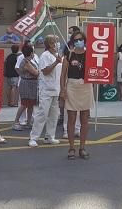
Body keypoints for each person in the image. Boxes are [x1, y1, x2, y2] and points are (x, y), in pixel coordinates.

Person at [60, 30, 94, 160]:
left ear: (85, 40)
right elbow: (63, 74)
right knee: (71, 118)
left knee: (85, 118)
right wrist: (62, 90)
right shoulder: (68, 55)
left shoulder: (90, 54)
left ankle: (82, 147)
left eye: (80, 39)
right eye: (76, 40)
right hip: (72, 87)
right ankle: (71, 148)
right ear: (72, 42)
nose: (78, 42)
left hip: (86, 86)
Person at [29, 35, 62, 147]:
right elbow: (45, 71)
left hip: (56, 89)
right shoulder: (45, 56)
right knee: (42, 113)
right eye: (54, 42)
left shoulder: (58, 55)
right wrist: (56, 63)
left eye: (57, 42)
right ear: (49, 44)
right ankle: (33, 137)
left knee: (54, 115)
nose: (56, 44)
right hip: (46, 89)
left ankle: (49, 136)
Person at [13, 41, 39, 131]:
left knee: (31, 104)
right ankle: (16, 121)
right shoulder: (26, 62)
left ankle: (28, 122)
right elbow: (36, 73)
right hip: (27, 84)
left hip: (32, 84)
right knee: (24, 104)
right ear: (31, 53)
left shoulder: (30, 60)